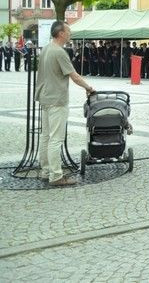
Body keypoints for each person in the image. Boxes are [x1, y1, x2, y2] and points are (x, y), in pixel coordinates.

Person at [35, 21, 95, 186]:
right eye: (68, 31)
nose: (70, 34)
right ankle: (56, 176)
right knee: (56, 139)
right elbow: (74, 76)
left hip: (45, 97)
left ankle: (46, 170)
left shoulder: (46, 48)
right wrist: (89, 88)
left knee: (46, 136)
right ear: (60, 33)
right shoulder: (59, 52)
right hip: (57, 99)